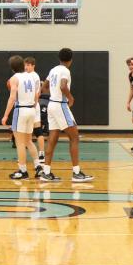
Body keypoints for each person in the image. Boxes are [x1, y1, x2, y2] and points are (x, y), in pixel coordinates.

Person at [41, 48, 93, 183]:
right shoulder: (65, 70)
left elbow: (44, 87)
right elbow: (63, 86)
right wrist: (71, 98)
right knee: (74, 137)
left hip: (51, 104)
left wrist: (54, 94)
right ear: (71, 59)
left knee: (52, 138)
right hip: (60, 105)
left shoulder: (53, 70)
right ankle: (76, 173)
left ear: (59, 58)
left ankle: (46, 172)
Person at [2, 55, 44, 180]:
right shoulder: (31, 76)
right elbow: (37, 94)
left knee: (20, 143)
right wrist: (33, 105)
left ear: (12, 67)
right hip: (31, 110)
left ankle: (22, 170)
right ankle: (38, 167)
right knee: (28, 141)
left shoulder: (14, 78)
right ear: (22, 65)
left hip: (21, 110)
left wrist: (5, 115)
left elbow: (12, 97)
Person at [24, 57, 46, 165]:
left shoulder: (33, 76)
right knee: (29, 132)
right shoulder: (27, 75)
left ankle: (41, 154)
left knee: (36, 131)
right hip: (31, 105)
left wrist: (34, 102)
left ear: (33, 66)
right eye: (25, 65)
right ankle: (38, 154)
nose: (26, 67)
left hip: (31, 105)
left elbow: (37, 93)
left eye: (29, 65)